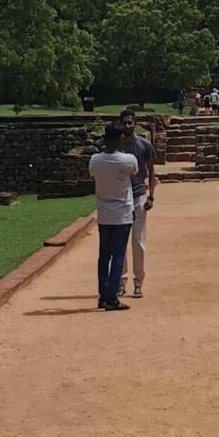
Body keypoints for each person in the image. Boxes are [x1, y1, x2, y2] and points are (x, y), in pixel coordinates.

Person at [89, 122, 138, 311]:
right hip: (122, 213)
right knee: (119, 255)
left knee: (104, 256)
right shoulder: (128, 160)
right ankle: (111, 298)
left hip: (104, 213)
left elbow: (92, 175)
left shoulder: (95, 160)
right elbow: (134, 174)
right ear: (119, 140)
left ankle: (103, 295)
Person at [118, 108, 158, 298]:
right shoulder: (115, 147)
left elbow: (151, 172)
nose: (127, 126)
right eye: (124, 123)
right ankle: (121, 280)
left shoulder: (144, 145)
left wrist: (151, 196)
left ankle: (138, 281)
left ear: (135, 123)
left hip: (139, 196)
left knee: (138, 240)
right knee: (121, 241)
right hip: (120, 198)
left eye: (130, 123)